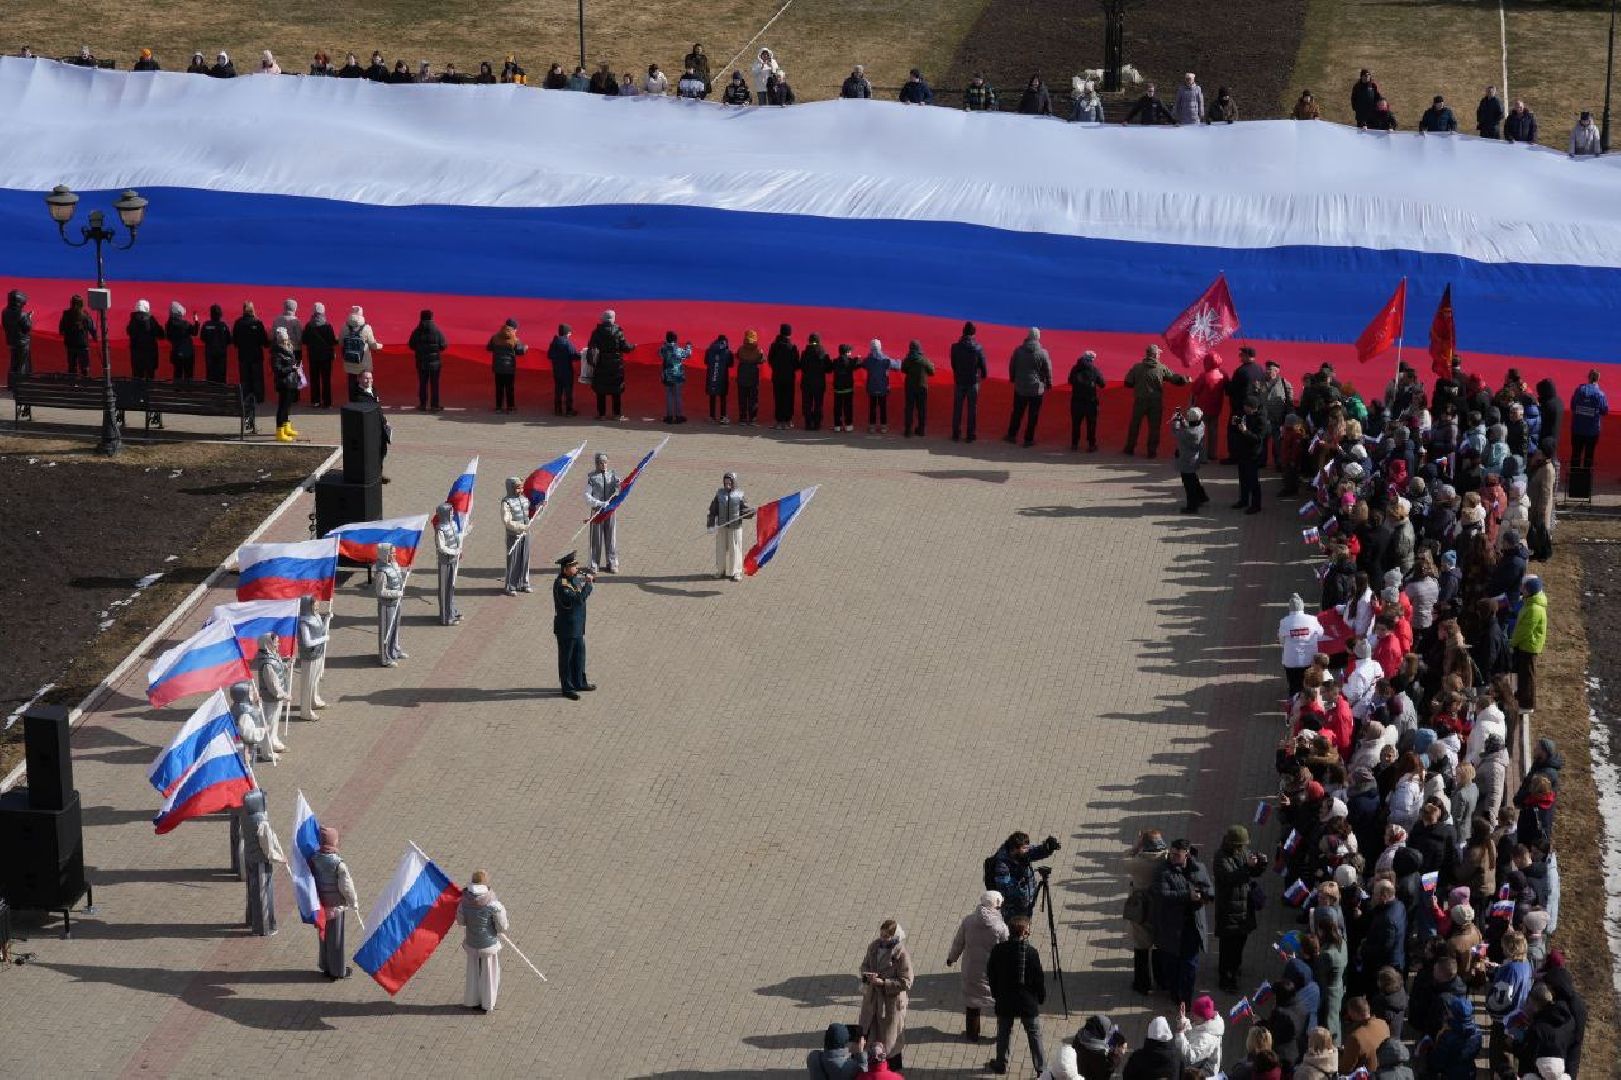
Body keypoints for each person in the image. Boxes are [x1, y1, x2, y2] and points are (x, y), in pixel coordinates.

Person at [1152, 837, 1213, 1008]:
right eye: (1171, 854)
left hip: (1193, 925)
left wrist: (1204, 895)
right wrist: (1188, 896)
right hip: (1172, 927)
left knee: (1189, 965)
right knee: (1172, 962)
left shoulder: (1199, 868)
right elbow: (1163, 894)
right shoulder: (1164, 871)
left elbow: (1209, 889)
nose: (1172, 857)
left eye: (1177, 855)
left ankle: (1185, 997)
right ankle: (1174, 991)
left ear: (1186, 854)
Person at [986, 916, 1045, 1075]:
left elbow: (991, 973)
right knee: (1034, 1034)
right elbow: (1038, 978)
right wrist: (1041, 996)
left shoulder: (999, 950)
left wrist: (995, 993)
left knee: (1004, 1032)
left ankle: (1001, 1064)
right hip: (1027, 1002)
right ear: (1025, 932)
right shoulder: (1031, 952)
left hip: (1005, 1000)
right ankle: (1041, 1070)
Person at [946, 890, 1008, 1043]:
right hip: (994, 973)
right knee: (1000, 1004)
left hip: (971, 969)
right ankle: (1002, 1035)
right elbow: (1007, 949)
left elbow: (958, 942)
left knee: (972, 1003)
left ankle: (972, 1034)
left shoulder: (968, 921)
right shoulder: (1000, 928)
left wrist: (951, 958)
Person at [1212, 825, 1266, 991]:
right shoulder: (1221, 858)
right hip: (1229, 908)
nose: (1243, 848)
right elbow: (1230, 878)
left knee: (1240, 941)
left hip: (1243, 906)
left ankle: (1234, 967)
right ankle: (1226, 977)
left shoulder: (1242, 852)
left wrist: (1260, 864)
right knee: (1228, 945)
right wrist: (1248, 867)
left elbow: (1251, 873)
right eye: (1240, 845)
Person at [859, 920, 913, 1071]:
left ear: (894, 937)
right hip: (873, 1000)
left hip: (891, 1003)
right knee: (871, 1034)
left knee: (891, 1041)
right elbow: (864, 965)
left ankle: (892, 1072)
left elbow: (906, 982)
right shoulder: (874, 946)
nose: (882, 939)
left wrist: (883, 982)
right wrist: (867, 975)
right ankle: (875, 1069)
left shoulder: (901, 954)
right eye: (881, 935)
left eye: (886, 936)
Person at [309, 825, 359, 978]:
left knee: (323, 936)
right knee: (336, 939)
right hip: (336, 905)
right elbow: (346, 886)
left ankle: (325, 965)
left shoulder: (314, 859)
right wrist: (353, 902)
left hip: (321, 905)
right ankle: (337, 970)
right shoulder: (338, 864)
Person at [458, 869, 509, 1012]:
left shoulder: (463, 902)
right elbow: (502, 926)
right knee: (489, 974)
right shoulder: (493, 904)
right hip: (488, 944)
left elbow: (461, 921)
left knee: (473, 973)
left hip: (472, 942)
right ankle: (487, 1003)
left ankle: (472, 1000)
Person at [1123, 345, 1189, 457]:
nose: (1159, 355)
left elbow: (1128, 383)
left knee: (1135, 425)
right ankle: (1151, 451)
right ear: (1154, 355)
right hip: (1155, 402)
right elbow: (1175, 379)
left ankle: (1130, 448)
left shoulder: (1137, 367)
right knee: (1154, 427)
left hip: (1140, 400)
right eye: (1158, 353)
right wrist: (1186, 379)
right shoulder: (1161, 368)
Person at [237, 787, 285, 935]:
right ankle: (264, 928)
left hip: (250, 858)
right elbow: (268, 848)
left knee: (252, 892)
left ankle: (251, 920)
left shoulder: (245, 815)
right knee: (263, 895)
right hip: (260, 863)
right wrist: (280, 858)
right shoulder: (261, 823)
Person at [986, 831, 1061, 919]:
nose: (1027, 850)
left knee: (1025, 924)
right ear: (1015, 849)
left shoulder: (1021, 853)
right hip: (1013, 906)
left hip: (1026, 901)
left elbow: (1035, 851)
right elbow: (1006, 888)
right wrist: (1024, 889)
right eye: (1024, 848)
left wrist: (1047, 848)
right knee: (1015, 929)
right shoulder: (1002, 864)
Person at [552, 551, 595, 698]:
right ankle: (567, 688)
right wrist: (588, 585)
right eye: (573, 566)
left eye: (576, 566)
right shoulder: (561, 586)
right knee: (566, 659)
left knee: (579, 656)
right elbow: (578, 599)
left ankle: (579, 682)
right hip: (567, 629)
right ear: (565, 569)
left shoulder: (573, 579)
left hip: (577, 627)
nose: (577, 569)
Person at [1004, 328, 1053, 447]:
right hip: (1036, 389)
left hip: (1020, 387)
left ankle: (1012, 435)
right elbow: (1048, 370)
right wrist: (1049, 383)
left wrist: (1013, 378)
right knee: (1033, 415)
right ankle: (1028, 439)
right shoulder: (1043, 353)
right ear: (1038, 338)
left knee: (1017, 412)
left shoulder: (1018, 351)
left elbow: (1012, 366)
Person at [945, 323, 989, 443]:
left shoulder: (955, 347)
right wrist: (983, 375)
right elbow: (983, 365)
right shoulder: (978, 348)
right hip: (973, 381)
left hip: (959, 381)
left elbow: (953, 364)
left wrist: (958, 373)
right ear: (973, 333)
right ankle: (970, 434)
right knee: (972, 409)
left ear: (963, 332)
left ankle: (955, 433)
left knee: (957, 408)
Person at [587, 309, 633, 420]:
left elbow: (591, 347)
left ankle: (601, 414)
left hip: (601, 364)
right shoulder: (618, 332)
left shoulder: (596, 332)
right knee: (616, 390)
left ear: (603, 319)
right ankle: (617, 415)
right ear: (613, 319)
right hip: (616, 365)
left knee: (600, 390)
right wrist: (634, 346)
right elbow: (625, 347)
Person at [1509, 577, 1547, 711]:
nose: (1521, 590)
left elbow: (1524, 630)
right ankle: (1522, 696)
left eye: (1524, 588)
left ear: (1529, 591)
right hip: (1526, 644)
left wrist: (1513, 642)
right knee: (1523, 674)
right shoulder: (1530, 603)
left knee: (1527, 676)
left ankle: (1527, 704)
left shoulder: (1534, 608)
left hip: (1529, 645)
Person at [252, 631, 292, 754]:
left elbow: (278, 668)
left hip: (275, 697)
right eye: (275, 642)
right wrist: (284, 695)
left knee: (274, 721)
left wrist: (286, 665)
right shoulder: (267, 663)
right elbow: (272, 684)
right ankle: (267, 751)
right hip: (271, 697)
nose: (278, 644)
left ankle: (273, 741)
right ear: (267, 644)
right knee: (269, 722)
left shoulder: (272, 656)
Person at [707, 472, 752, 581]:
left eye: (729, 483)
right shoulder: (719, 494)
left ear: (734, 482)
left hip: (735, 527)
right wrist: (711, 524)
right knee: (720, 549)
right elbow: (713, 510)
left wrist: (751, 512)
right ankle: (720, 571)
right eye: (725, 482)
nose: (727, 485)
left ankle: (736, 572)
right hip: (722, 526)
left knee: (735, 549)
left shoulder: (740, 495)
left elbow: (745, 510)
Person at [127, 299, 165, 427]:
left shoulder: (133, 321)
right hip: (150, 356)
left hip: (137, 357)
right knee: (150, 378)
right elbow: (161, 334)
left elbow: (129, 332)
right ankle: (150, 399)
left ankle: (138, 399)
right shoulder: (151, 321)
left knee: (137, 377)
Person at [496, 476, 533, 596]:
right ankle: (510, 585)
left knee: (525, 558)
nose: (521, 490)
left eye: (522, 487)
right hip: (513, 535)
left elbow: (529, 514)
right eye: (518, 488)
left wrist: (540, 507)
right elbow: (507, 521)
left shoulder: (524, 499)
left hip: (525, 534)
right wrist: (521, 527)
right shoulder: (506, 502)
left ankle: (524, 583)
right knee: (513, 560)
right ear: (510, 488)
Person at [232, 301, 269, 419]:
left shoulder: (238, 323)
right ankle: (258, 399)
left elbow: (235, 341)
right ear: (253, 309)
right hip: (256, 356)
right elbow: (264, 341)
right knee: (257, 378)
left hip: (243, 355)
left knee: (245, 379)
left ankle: (245, 398)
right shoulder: (257, 323)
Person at [586, 453, 621, 573]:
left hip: (610, 510)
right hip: (597, 511)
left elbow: (619, 487)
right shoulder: (592, 477)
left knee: (611, 537)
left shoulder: (612, 475)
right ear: (596, 464)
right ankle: (594, 563)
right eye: (601, 462)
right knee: (596, 538)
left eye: (605, 462)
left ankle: (612, 562)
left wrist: (620, 487)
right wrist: (599, 503)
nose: (604, 464)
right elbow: (587, 496)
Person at [1231, 397, 1266, 513]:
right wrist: (1236, 425)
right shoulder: (1245, 415)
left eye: (1246, 406)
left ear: (1253, 408)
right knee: (1243, 478)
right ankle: (1244, 500)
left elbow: (1258, 439)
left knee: (1252, 480)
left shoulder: (1260, 420)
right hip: (1242, 452)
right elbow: (1239, 432)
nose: (1244, 407)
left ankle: (1256, 505)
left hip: (1252, 454)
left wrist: (1246, 431)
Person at [229, 680, 275, 767]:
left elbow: (254, 714)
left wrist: (257, 706)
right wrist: (263, 730)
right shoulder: (245, 714)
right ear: (244, 696)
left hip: (242, 747)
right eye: (250, 692)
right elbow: (249, 734)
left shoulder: (238, 707)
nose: (253, 694)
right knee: (247, 769)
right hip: (244, 749)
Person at [296, 595, 329, 719]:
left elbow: (322, 631)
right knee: (307, 683)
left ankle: (314, 700)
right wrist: (323, 639)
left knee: (315, 680)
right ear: (308, 606)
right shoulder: (304, 622)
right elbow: (307, 642)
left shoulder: (316, 617)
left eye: (317, 604)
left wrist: (326, 620)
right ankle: (305, 711)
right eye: (314, 604)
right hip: (309, 656)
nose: (317, 606)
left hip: (318, 653)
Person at [408, 309, 447, 412]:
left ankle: (422, 405)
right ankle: (434, 405)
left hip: (421, 362)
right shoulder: (437, 331)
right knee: (435, 384)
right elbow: (443, 345)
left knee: (422, 383)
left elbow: (411, 345)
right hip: (435, 363)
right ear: (432, 317)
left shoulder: (417, 331)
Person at [341, 306, 383, 402]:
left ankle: (352, 401)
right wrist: (381, 345)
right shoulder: (366, 328)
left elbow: (341, 342)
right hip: (363, 361)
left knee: (351, 380)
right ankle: (364, 399)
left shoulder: (345, 327)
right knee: (365, 381)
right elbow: (373, 345)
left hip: (349, 359)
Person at [1067, 350, 1105, 452]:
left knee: (1076, 423)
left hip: (1076, 400)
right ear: (1092, 360)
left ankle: (1074, 444)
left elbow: (1070, 381)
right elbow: (1102, 383)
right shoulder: (1094, 370)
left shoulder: (1075, 368)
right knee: (1091, 424)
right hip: (1090, 401)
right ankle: (1091, 445)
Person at [486, 317, 526, 413]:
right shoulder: (515, 339)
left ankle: (499, 407)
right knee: (510, 388)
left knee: (499, 388)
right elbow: (520, 352)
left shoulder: (495, 337)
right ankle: (510, 407)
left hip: (498, 367)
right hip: (509, 368)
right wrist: (525, 348)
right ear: (514, 329)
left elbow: (489, 348)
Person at [300, 302, 337, 408]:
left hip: (313, 356)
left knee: (314, 379)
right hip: (326, 357)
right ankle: (327, 402)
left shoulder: (308, 326)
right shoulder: (327, 326)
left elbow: (304, 340)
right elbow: (332, 341)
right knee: (326, 380)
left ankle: (315, 401)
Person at [1173, 407, 1209, 513]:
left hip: (1186, 460)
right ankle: (1202, 496)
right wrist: (1183, 421)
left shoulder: (1188, 433)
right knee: (1193, 478)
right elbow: (1191, 425)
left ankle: (1192, 506)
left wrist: (1176, 421)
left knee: (1189, 484)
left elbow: (1176, 431)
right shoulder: (1201, 426)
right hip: (1195, 458)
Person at [433, 501, 463, 626]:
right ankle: (446, 618)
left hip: (453, 560)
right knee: (445, 589)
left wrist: (466, 531)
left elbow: (456, 537)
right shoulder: (440, 529)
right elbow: (441, 547)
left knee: (451, 587)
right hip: (445, 562)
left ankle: (451, 611)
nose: (453, 514)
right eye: (450, 512)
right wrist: (455, 551)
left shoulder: (454, 524)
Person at [1569, 369, 1607, 469]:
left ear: (1589, 377)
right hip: (1592, 431)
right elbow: (1605, 411)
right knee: (1589, 456)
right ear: (1598, 379)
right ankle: (1586, 480)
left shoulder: (1578, 390)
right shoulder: (1600, 394)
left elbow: (1572, 406)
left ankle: (1574, 478)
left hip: (1577, 429)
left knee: (1576, 454)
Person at [269, 327, 301, 441]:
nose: (286, 342)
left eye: (287, 340)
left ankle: (286, 426)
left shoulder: (288, 348)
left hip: (291, 381)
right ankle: (279, 431)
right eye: (284, 340)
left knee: (288, 406)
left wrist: (296, 367)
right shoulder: (276, 353)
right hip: (284, 383)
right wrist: (291, 368)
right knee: (282, 407)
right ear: (280, 340)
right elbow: (277, 369)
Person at [2, 290, 31, 416]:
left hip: (12, 341)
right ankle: (21, 384)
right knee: (22, 364)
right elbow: (27, 328)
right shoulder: (22, 314)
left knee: (13, 362)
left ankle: (11, 384)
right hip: (22, 342)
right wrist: (29, 318)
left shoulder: (5, 312)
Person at [863, 339, 899, 434]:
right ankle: (883, 427)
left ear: (871, 348)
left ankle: (872, 427)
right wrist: (898, 360)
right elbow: (897, 366)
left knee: (872, 407)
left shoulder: (868, 360)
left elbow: (862, 363)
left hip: (872, 387)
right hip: (883, 387)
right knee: (883, 408)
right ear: (880, 347)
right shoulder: (886, 360)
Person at [654, 331, 691, 424]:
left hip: (667, 375)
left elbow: (659, 354)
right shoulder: (678, 349)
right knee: (678, 396)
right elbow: (688, 354)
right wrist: (688, 346)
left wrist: (663, 345)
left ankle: (669, 416)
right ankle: (678, 416)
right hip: (678, 376)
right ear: (676, 339)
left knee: (669, 396)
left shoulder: (664, 349)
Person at [768, 323, 800, 429]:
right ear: (789, 334)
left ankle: (778, 420)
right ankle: (788, 421)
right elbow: (796, 364)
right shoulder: (793, 347)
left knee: (778, 398)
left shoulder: (774, 346)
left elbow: (770, 361)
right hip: (789, 377)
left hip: (777, 376)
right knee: (788, 398)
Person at [900, 340, 934, 437]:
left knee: (909, 408)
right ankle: (921, 429)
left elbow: (903, 369)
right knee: (922, 409)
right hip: (922, 387)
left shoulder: (907, 360)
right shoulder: (924, 360)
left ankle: (908, 430)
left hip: (910, 387)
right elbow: (932, 372)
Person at [58, 295, 96, 381]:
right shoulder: (85, 315)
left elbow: (61, 329)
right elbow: (91, 328)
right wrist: (95, 337)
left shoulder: (66, 314)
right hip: (82, 344)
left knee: (72, 366)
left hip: (70, 344)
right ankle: (85, 384)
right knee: (84, 367)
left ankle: (73, 384)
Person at [548, 324, 580, 416]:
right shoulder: (567, 343)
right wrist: (581, 355)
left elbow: (549, 355)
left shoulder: (554, 342)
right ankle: (569, 410)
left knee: (558, 390)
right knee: (568, 391)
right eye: (570, 333)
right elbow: (573, 355)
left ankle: (558, 410)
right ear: (567, 333)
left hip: (557, 370)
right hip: (567, 371)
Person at [800, 332, 829, 431]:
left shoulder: (804, 353)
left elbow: (802, 367)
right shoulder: (823, 353)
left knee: (807, 403)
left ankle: (808, 423)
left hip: (806, 382)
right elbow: (828, 369)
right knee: (818, 404)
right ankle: (817, 424)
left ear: (809, 341)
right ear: (818, 341)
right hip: (819, 383)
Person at [736, 328, 765, 424]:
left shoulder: (741, 349)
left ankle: (742, 418)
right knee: (753, 399)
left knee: (742, 398)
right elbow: (763, 360)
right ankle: (752, 418)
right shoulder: (758, 350)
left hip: (742, 376)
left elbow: (737, 356)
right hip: (753, 377)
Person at [703, 333, 733, 423]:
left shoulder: (709, 350)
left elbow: (706, 361)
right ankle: (723, 416)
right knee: (722, 397)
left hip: (712, 376)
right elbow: (731, 364)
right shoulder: (728, 352)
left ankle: (712, 416)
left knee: (712, 395)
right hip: (722, 377)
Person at [164, 302, 199, 381]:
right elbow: (195, 332)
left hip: (176, 352)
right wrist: (196, 320)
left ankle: (177, 390)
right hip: (187, 353)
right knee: (188, 375)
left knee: (177, 373)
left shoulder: (168, 325)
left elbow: (168, 337)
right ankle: (187, 390)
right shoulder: (185, 324)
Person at [832, 343, 860, 433]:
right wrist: (858, 358)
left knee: (837, 407)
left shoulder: (835, 361)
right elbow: (857, 364)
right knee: (848, 407)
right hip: (848, 389)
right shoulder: (850, 361)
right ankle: (848, 425)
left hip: (838, 389)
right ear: (847, 352)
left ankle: (837, 426)